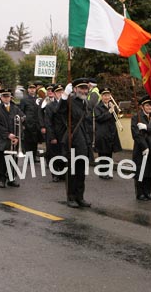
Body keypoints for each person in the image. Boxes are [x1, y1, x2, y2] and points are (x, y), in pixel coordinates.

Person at [57, 78, 93, 208]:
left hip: (84, 141)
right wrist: (64, 96)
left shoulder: (86, 103)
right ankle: (71, 197)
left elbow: (88, 124)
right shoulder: (70, 101)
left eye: (85, 88)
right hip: (73, 140)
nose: (84, 90)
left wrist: (90, 141)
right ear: (75, 89)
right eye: (81, 88)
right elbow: (59, 111)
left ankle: (80, 197)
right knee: (71, 171)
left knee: (81, 172)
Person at [0, 88, 25, 188]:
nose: (6, 99)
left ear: (11, 97)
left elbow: (22, 119)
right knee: (2, 160)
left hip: (14, 138)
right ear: (1, 97)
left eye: (8, 96)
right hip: (3, 138)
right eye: (4, 96)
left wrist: (17, 136)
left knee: (13, 160)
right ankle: (2, 179)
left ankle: (12, 179)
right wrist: (7, 135)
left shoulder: (15, 108)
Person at [131, 95, 151, 200]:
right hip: (141, 148)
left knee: (149, 170)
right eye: (147, 105)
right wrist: (144, 147)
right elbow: (136, 134)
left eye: (150, 106)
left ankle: (148, 192)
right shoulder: (136, 117)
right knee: (141, 171)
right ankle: (140, 193)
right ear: (142, 107)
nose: (149, 107)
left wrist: (146, 127)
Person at [94, 87, 123, 179]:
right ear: (101, 96)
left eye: (108, 95)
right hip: (102, 133)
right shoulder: (97, 107)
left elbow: (115, 119)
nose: (107, 97)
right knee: (103, 153)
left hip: (111, 132)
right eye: (105, 95)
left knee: (109, 154)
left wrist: (115, 110)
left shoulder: (111, 105)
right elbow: (99, 119)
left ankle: (108, 171)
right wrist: (109, 112)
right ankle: (102, 173)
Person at [44, 84, 64, 182]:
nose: (60, 94)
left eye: (61, 92)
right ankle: (55, 174)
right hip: (55, 133)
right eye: (58, 92)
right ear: (55, 94)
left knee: (63, 154)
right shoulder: (50, 106)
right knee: (54, 155)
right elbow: (48, 123)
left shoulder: (66, 105)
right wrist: (52, 137)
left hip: (64, 134)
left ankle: (63, 173)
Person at [19, 82, 40, 159]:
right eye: (30, 88)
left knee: (35, 141)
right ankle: (28, 157)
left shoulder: (38, 99)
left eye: (33, 88)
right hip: (28, 124)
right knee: (28, 141)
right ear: (28, 90)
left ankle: (34, 156)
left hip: (36, 124)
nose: (32, 90)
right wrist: (23, 124)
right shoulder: (24, 99)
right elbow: (21, 111)